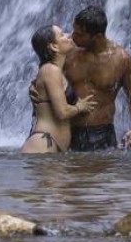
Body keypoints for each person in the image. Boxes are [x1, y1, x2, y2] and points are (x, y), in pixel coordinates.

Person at [61, 6, 131, 151]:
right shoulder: (67, 51)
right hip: (67, 130)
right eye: (74, 30)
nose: (73, 36)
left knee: (102, 173)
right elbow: (48, 76)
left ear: (97, 37)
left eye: (80, 34)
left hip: (102, 133)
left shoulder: (122, 59)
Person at [21, 25, 97, 153]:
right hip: (44, 143)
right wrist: (80, 106)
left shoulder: (54, 70)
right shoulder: (51, 70)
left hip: (51, 145)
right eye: (62, 34)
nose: (68, 35)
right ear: (54, 46)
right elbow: (62, 112)